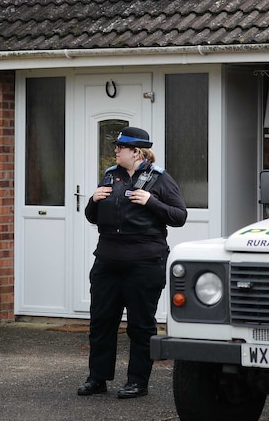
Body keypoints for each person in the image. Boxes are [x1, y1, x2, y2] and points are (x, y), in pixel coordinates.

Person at [79, 126, 188, 399]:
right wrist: (92, 201)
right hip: (107, 261)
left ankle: (137, 382)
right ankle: (97, 378)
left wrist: (152, 202)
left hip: (145, 262)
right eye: (116, 147)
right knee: (102, 321)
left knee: (140, 325)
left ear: (136, 152)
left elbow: (179, 216)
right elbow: (93, 217)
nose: (115, 151)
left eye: (120, 147)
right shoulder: (110, 176)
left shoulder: (159, 179)